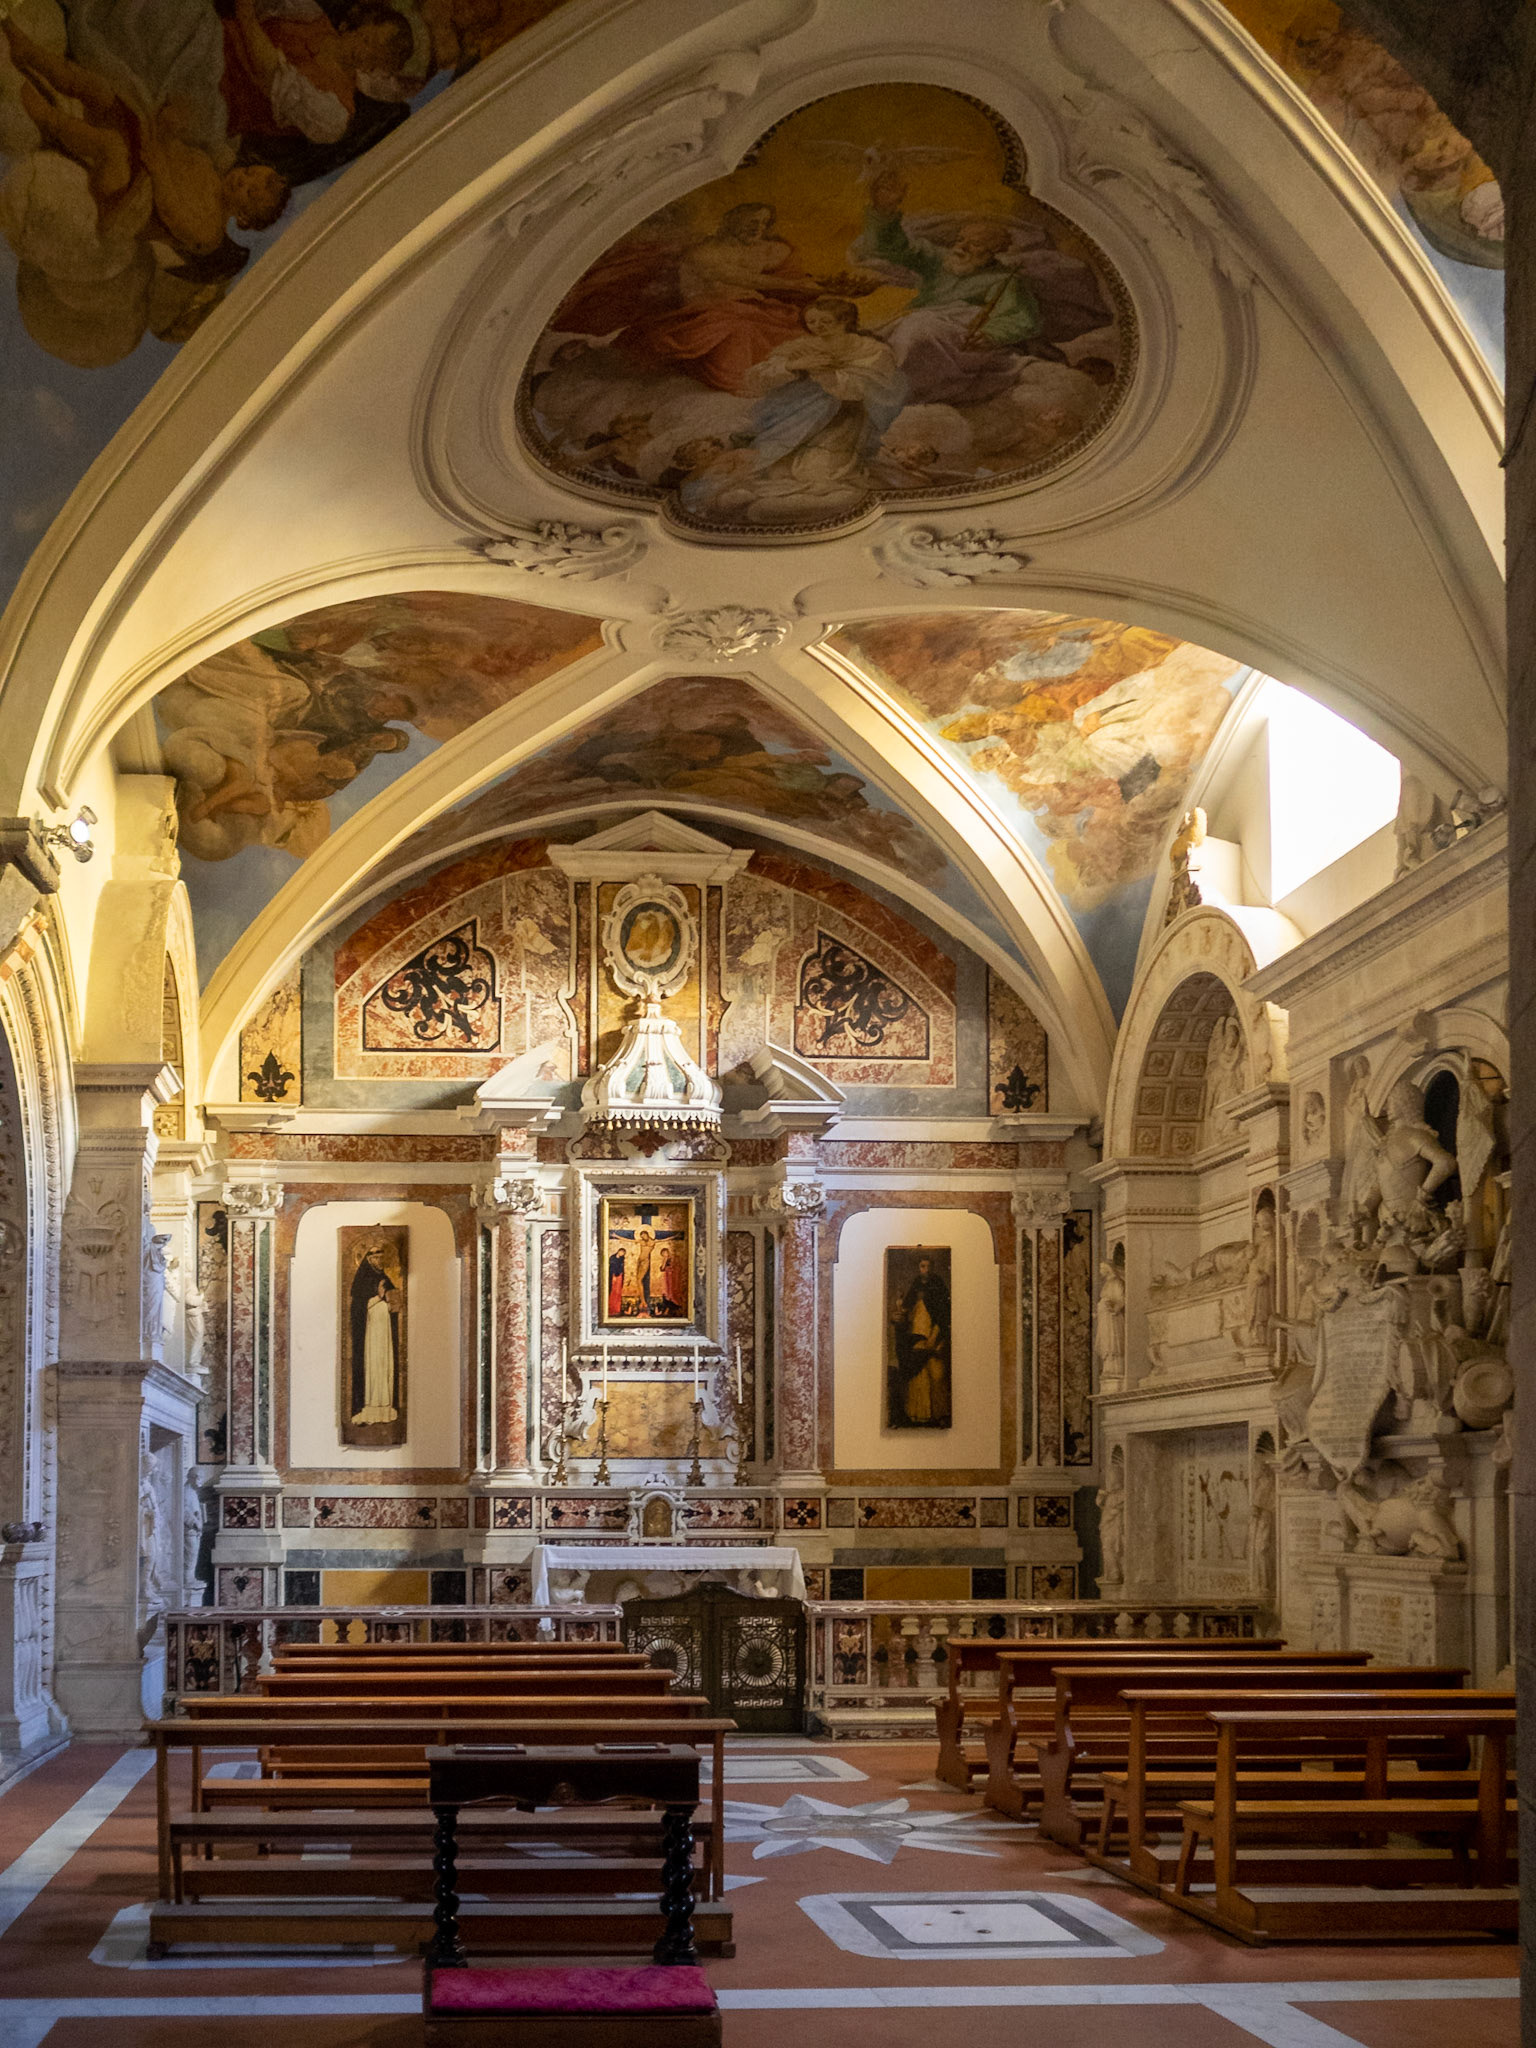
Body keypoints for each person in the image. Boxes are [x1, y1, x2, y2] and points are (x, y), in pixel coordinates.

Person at [890, 1253, 951, 1427]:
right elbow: (906, 1310)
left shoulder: (938, 1285)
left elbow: (943, 1316)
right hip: (916, 1337)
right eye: (923, 1266)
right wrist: (899, 1312)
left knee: (937, 1374)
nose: (926, 1270)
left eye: (929, 1266)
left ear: (933, 1267)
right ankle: (919, 1415)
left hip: (934, 1335)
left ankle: (939, 1414)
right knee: (919, 1375)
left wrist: (934, 1337)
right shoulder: (916, 1284)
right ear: (919, 1268)